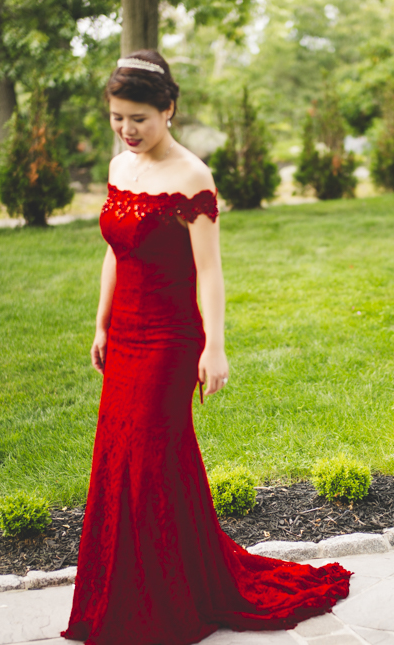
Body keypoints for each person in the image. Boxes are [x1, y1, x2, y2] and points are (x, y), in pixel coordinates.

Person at [62, 50, 352, 645]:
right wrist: (100, 323)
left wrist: (214, 347)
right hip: (125, 333)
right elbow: (114, 250)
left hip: (170, 337)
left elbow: (210, 272)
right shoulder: (121, 167)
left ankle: (169, 598)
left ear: (169, 109)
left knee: (150, 456)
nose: (127, 129)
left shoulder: (192, 175)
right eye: (118, 117)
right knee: (124, 459)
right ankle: (137, 589)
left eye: (139, 117)